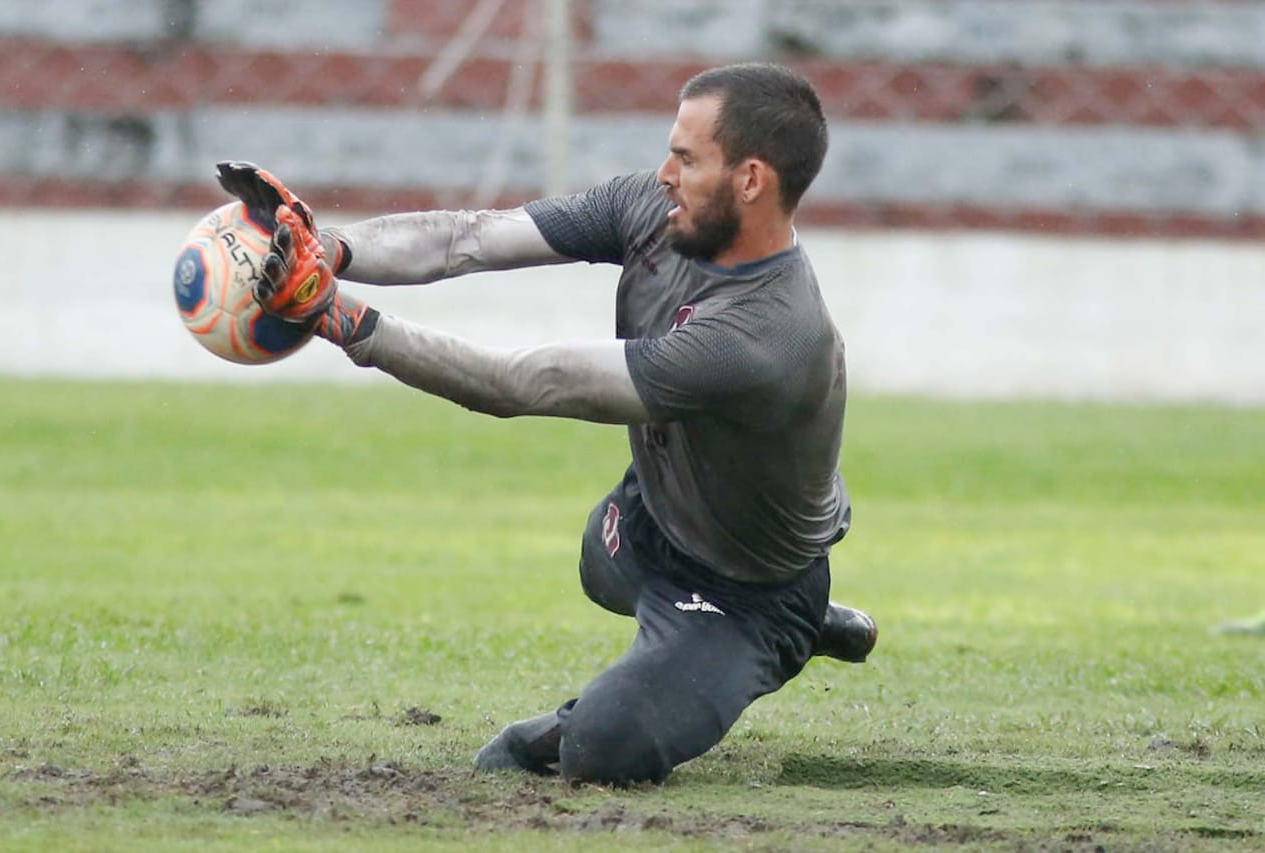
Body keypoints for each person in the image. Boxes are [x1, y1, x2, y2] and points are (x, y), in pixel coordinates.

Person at [215, 61, 877, 786]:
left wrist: (336, 315)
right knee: (600, 559)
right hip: (652, 519)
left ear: (750, 180)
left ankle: (785, 634)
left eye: (686, 158)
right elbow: (469, 239)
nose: (662, 173)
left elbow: (520, 382)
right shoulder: (653, 211)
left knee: (602, 750)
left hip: (747, 593)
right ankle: (759, 634)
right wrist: (327, 248)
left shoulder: (762, 336)